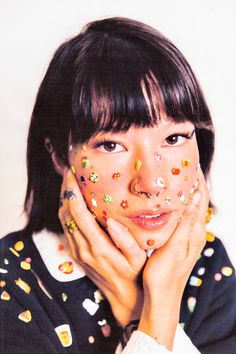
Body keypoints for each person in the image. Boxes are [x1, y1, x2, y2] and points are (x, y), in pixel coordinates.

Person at [0, 17, 236, 354]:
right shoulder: (12, 284)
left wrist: (136, 305)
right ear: (59, 157)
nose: (152, 183)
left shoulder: (206, 264)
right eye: (111, 145)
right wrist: (154, 313)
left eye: (173, 138)